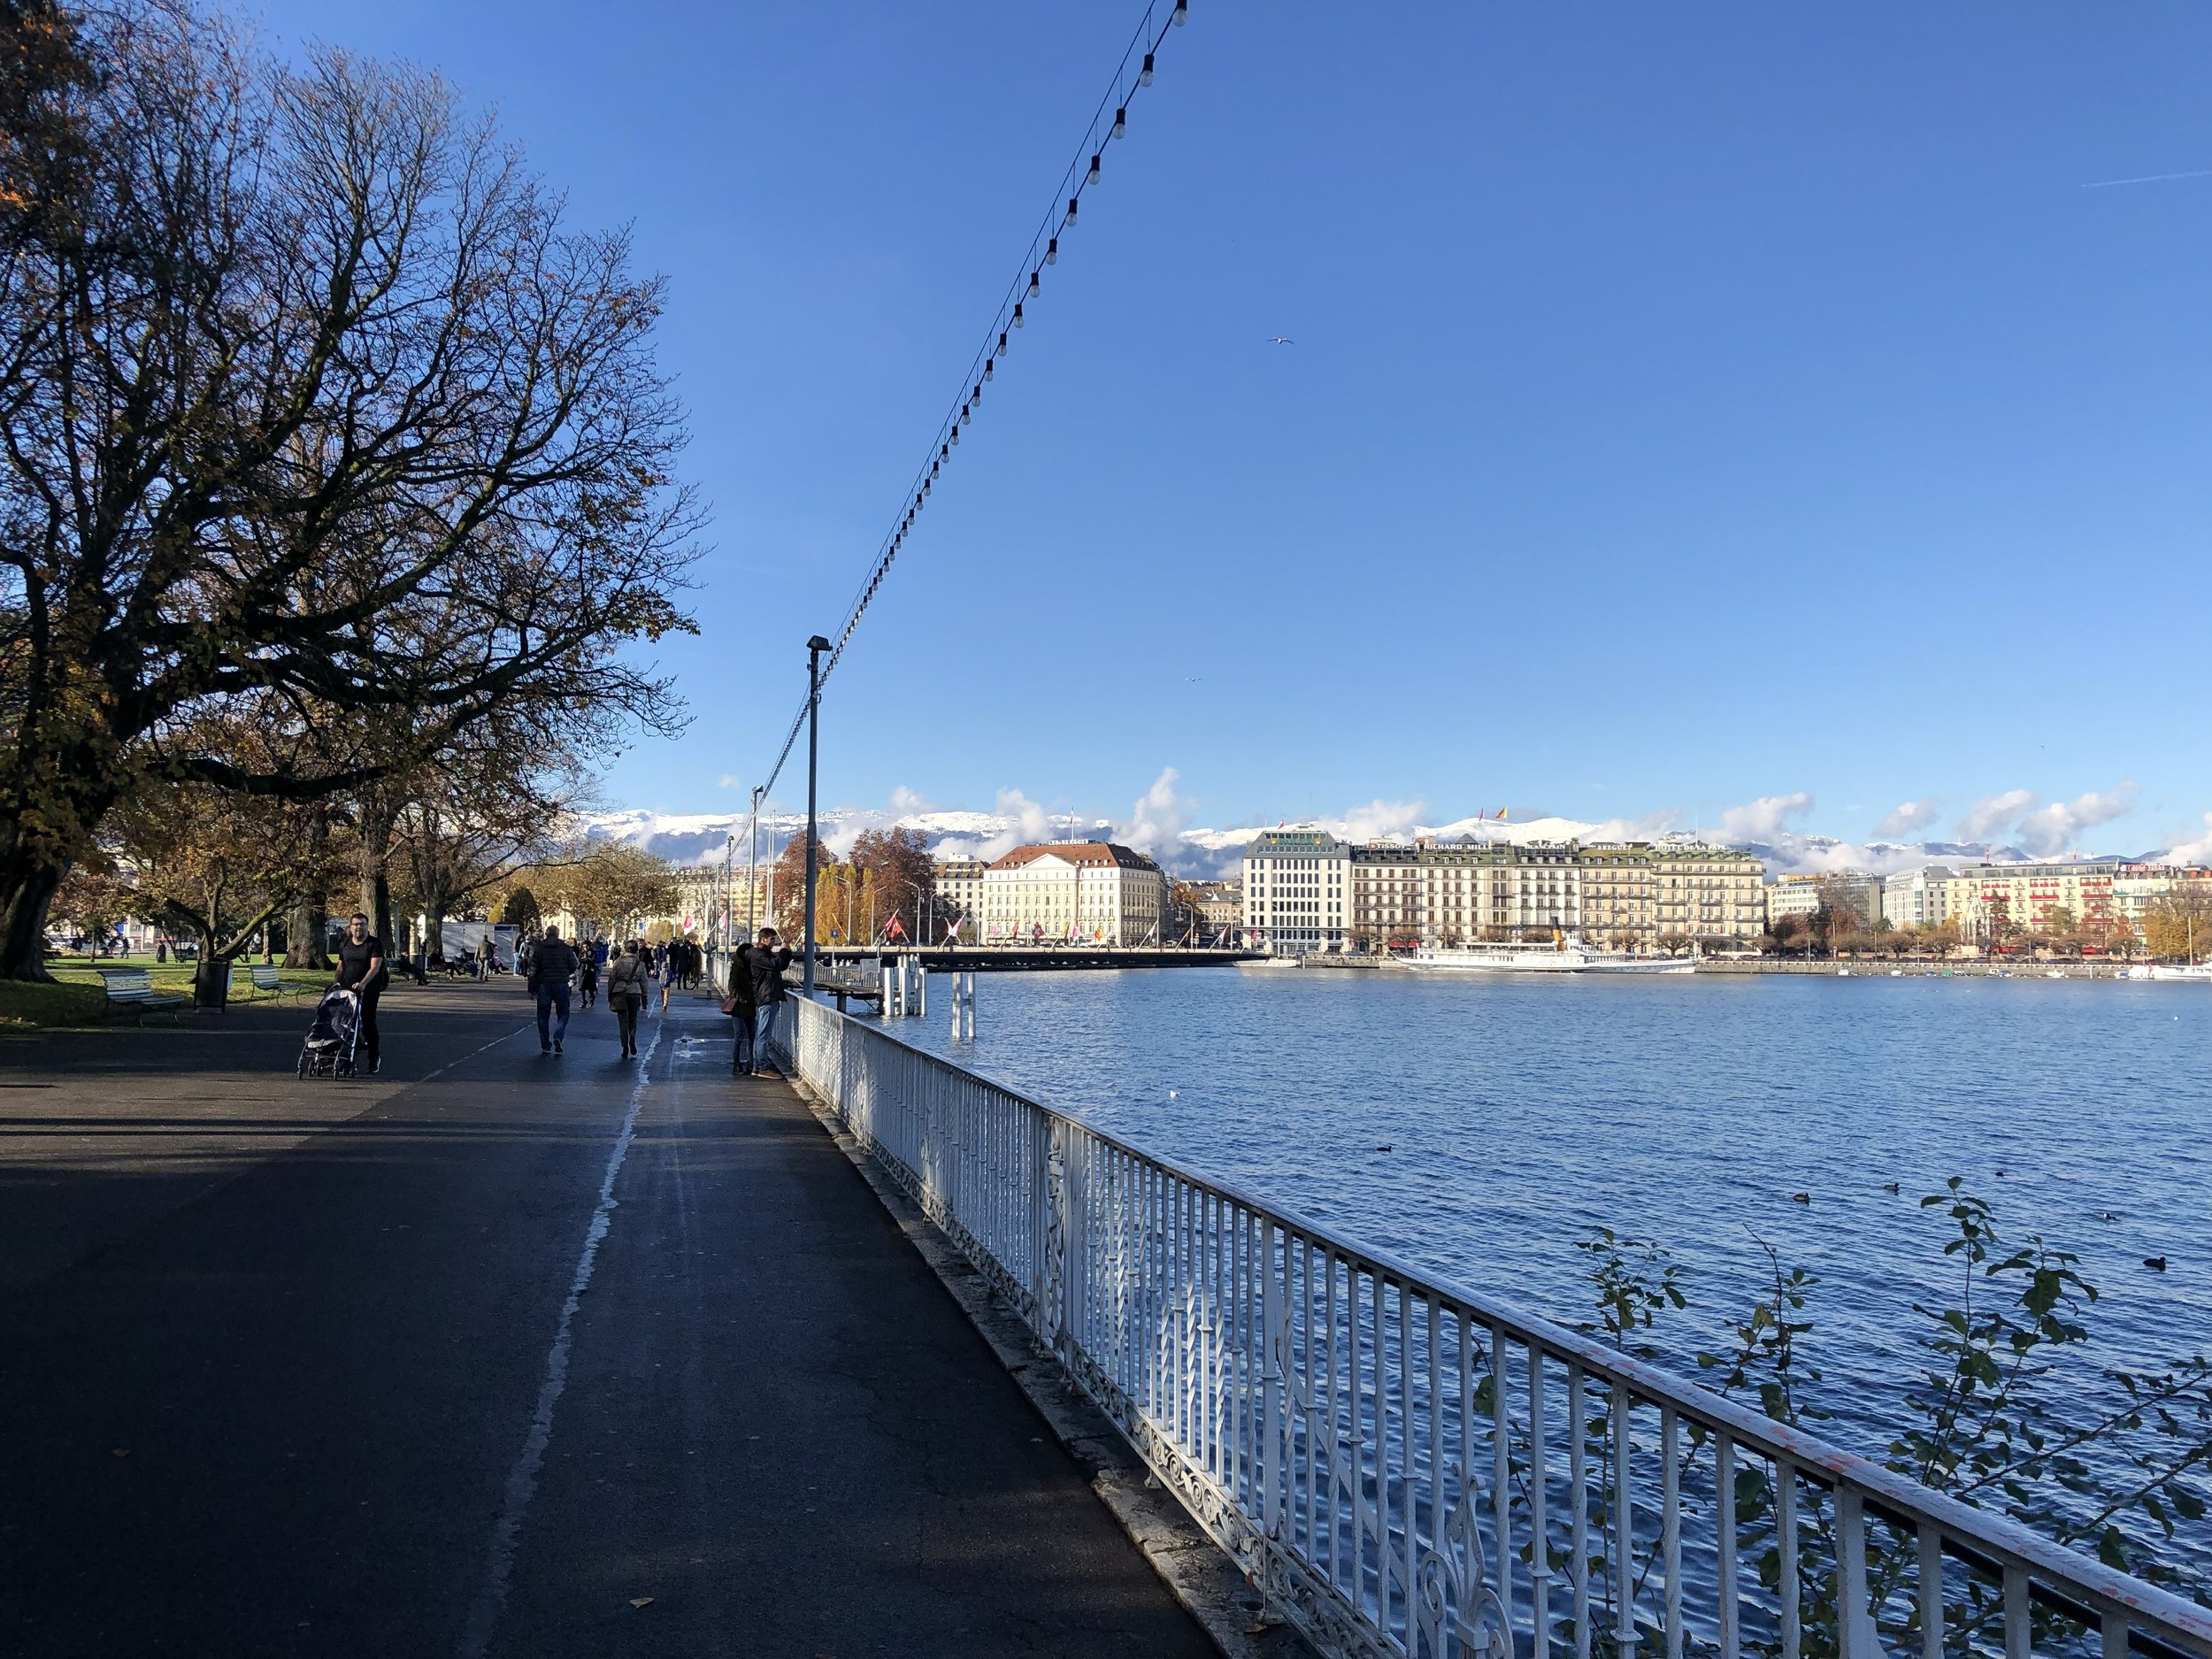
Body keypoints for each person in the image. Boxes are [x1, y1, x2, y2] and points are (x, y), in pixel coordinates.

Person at [334, 912, 389, 1076]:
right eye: (356, 924)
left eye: (362, 924)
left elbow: (375, 967)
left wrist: (363, 984)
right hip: (347, 988)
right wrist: (336, 983)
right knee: (343, 1021)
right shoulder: (345, 944)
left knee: (368, 1021)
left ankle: (374, 1056)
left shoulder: (374, 944)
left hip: (368, 989)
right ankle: (346, 1054)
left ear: (367, 926)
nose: (359, 927)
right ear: (350, 927)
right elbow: (340, 966)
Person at [735, 926, 795, 1075]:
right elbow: (775, 964)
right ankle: (762, 1065)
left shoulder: (763, 954)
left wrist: (786, 950)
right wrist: (783, 950)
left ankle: (758, 1064)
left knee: (762, 1033)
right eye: (772, 939)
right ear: (763, 939)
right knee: (763, 1034)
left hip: (768, 996)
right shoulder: (758, 955)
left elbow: (780, 965)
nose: (774, 942)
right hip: (766, 996)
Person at [530, 925, 580, 1056]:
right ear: (558, 934)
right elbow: (574, 965)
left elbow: (533, 969)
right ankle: (558, 1035)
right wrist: (565, 972)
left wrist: (531, 987)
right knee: (563, 1012)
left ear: (546, 934)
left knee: (543, 1015)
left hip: (544, 984)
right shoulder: (565, 948)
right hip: (561, 984)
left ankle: (545, 1045)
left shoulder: (540, 948)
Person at [606, 939, 650, 1058]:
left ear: (625, 949)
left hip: (620, 991)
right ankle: (632, 1037)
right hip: (635, 992)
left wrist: (610, 994)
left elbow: (612, 979)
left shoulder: (618, 962)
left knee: (622, 1020)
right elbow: (644, 982)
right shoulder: (640, 964)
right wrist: (645, 996)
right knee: (633, 1018)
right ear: (637, 949)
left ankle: (625, 1045)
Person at [722, 949, 757, 1074]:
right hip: (739, 1006)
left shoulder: (752, 965)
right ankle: (737, 1064)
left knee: (751, 1036)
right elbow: (732, 986)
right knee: (740, 1036)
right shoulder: (737, 967)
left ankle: (751, 1064)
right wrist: (742, 998)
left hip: (750, 1005)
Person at [578, 946, 598, 1010]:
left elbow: (592, 960)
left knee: (590, 987)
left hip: (590, 971)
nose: (585, 948)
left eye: (586, 946)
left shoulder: (593, 952)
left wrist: (585, 960)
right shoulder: (582, 952)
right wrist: (586, 959)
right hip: (583, 971)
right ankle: (583, 1001)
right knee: (582, 987)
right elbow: (579, 959)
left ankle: (592, 997)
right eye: (584, 946)